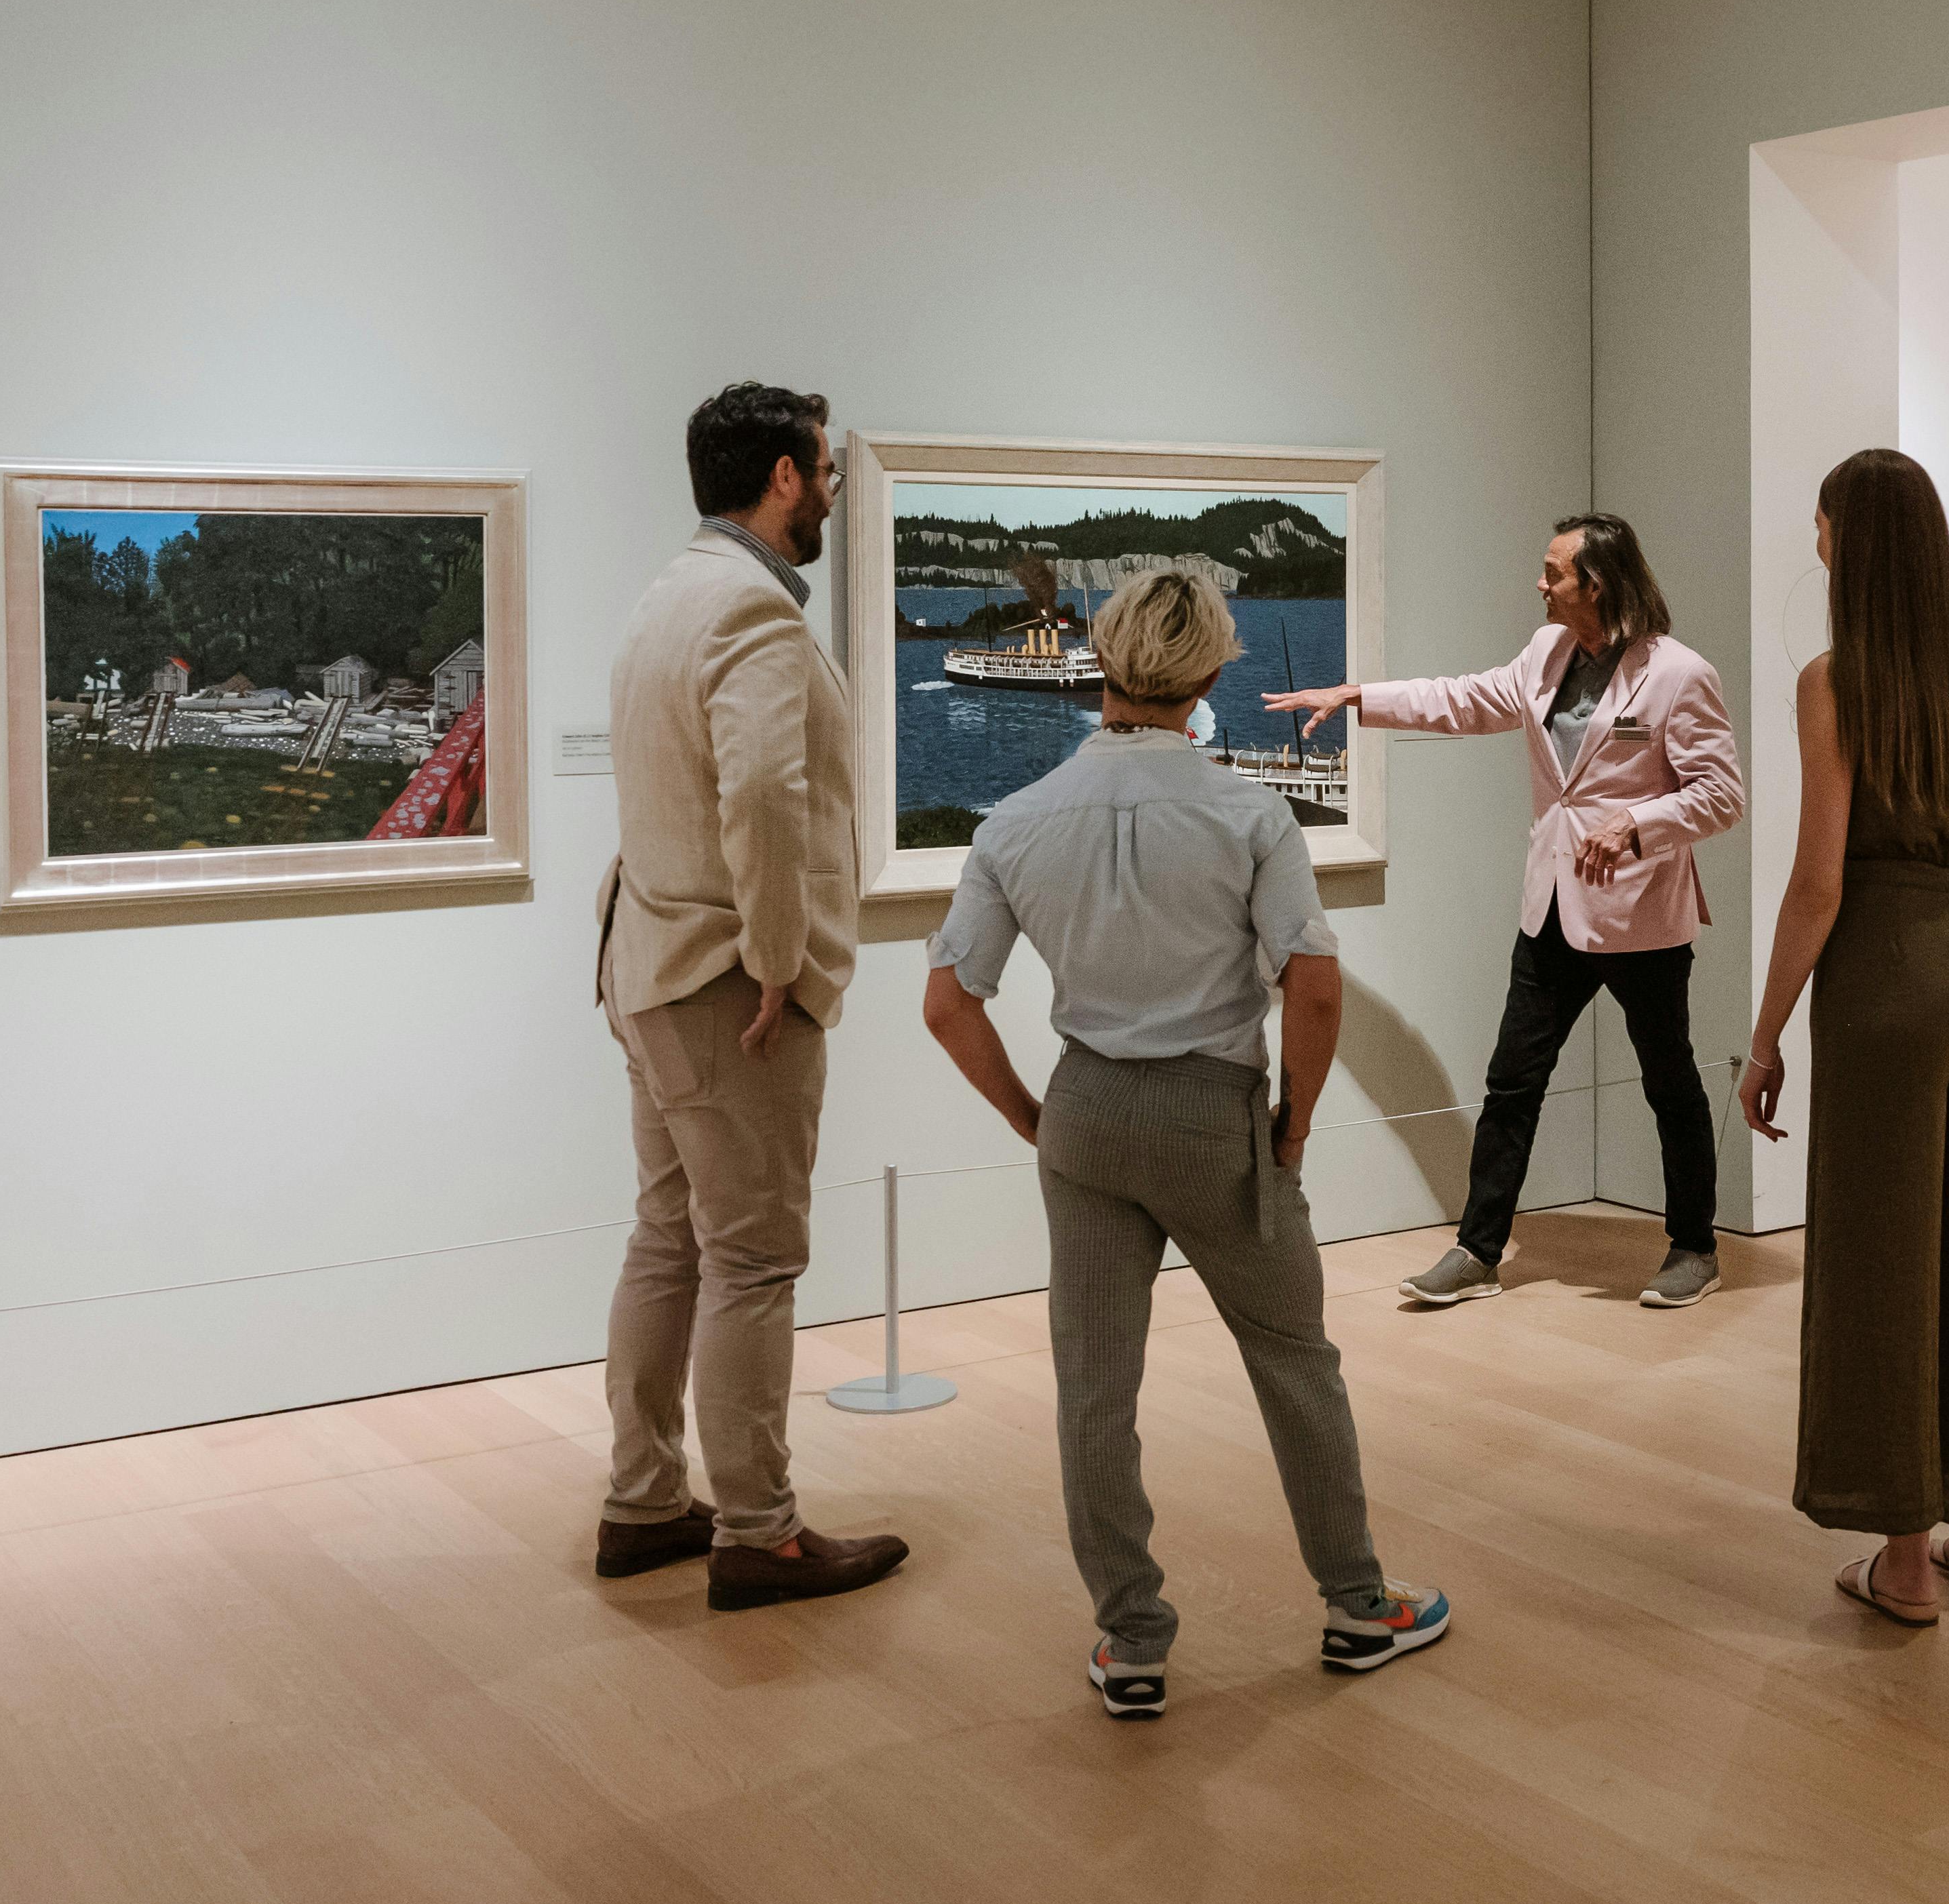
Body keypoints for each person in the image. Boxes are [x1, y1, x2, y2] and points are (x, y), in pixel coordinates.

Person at [924, 569, 1451, 1720]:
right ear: (1213, 674)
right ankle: (1360, 1605)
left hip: (1088, 1115)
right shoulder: (1252, 813)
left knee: (1093, 1391)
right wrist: (1294, 1129)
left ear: (1101, 665)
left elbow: (950, 1001)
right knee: (1294, 1363)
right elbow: (1311, 987)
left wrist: (1036, 1119)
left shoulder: (1015, 821)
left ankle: (1132, 1640)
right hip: (1215, 1116)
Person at [591, 381, 909, 1610]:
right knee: (754, 1260)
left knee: (669, 1238)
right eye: (825, 468)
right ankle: (761, 1529)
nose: (832, 487)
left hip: (648, 966)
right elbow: (764, 805)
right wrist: (780, 959)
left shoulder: (666, 596)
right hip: (730, 983)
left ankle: (646, 1497)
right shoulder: (757, 618)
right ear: (784, 475)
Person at [1268, 514, 1745, 1309]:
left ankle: (1694, 1247)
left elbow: (1721, 795)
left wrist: (1638, 825)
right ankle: (1478, 1250)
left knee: (1669, 1083)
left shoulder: (1678, 674)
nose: (1539, 583)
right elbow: (1463, 699)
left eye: (1553, 572)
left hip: (1639, 920)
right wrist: (1357, 696)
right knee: (1511, 1082)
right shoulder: (1546, 651)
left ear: (1596, 583)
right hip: (1552, 911)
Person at [1738, 449, 1949, 1626]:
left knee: (1881, 1259)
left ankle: (1907, 1554)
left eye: (1821, 527)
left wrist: (1764, 1036)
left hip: (1890, 958)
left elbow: (1819, 882)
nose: (1815, 544)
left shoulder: (1837, 681)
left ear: (1848, 542)